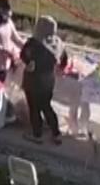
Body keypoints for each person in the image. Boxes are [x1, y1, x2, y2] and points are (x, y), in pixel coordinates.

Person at [22, 15, 68, 144]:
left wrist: (28, 62)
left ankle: (37, 134)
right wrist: (60, 69)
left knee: (34, 108)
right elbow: (64, 59)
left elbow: (23, 54)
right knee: (46, 106)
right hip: (49, 81)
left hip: (33, 81)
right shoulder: (57, 43)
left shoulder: (34, 43)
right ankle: (56, 133)